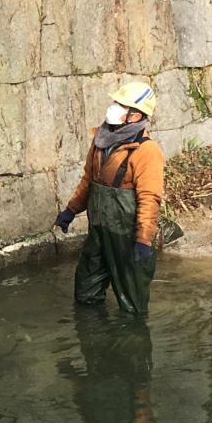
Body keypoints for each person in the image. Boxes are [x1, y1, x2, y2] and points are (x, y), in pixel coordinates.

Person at [54, 81, 166, 316]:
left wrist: (143, 240)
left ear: (136, 116)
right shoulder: (100, 141)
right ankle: (95, 339)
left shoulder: (147, 151)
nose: (114, 108)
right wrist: (70, 211)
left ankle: (132, 343)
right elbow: (89, 181)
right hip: (99, 230)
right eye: (116, 102)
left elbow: (149, 198)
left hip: (126, 236)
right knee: (86, 291)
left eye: (121, 105)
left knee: (133, 304)